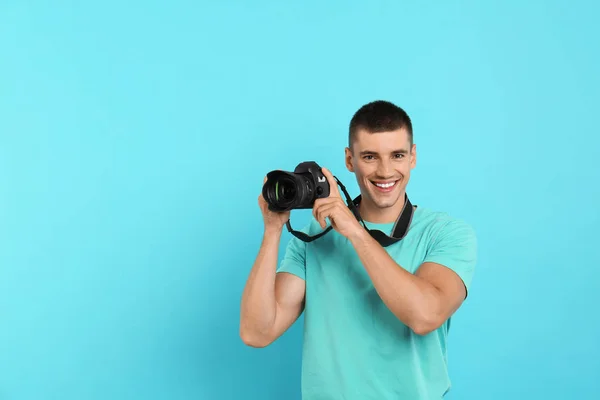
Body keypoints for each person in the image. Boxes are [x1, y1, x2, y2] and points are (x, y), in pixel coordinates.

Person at [239, 100, 477, 399]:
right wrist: (272, 229)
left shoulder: (446, 233)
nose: (385, 170)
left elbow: (425, 316)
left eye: (397, 155)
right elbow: (256, 332)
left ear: (413, 157)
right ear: (349, 160)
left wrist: (355, 231)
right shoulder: (317, 235)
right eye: (370, 157)